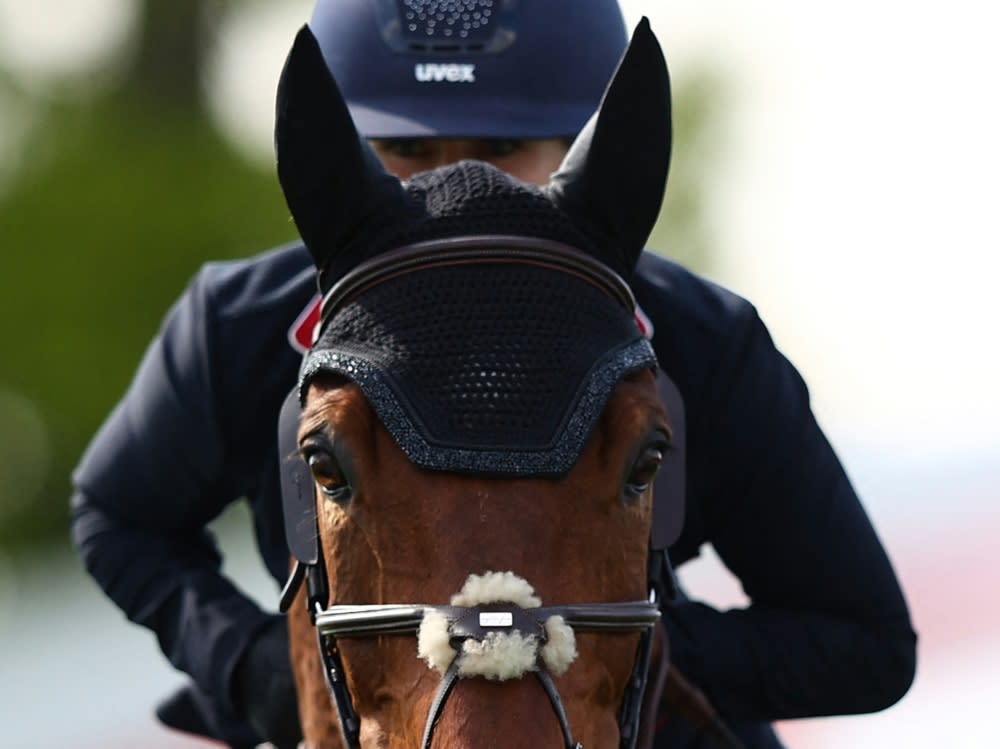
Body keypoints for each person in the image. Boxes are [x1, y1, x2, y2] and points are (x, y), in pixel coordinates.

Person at [70, 1, 916, 748]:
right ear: (351, 154)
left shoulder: (705, 341)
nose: (455, 182)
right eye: (406, 148)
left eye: (504, 147)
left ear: (583, 146)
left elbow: (866, 642)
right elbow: (116, 513)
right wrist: (249, 662)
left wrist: (621, 647)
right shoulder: (237, 324)